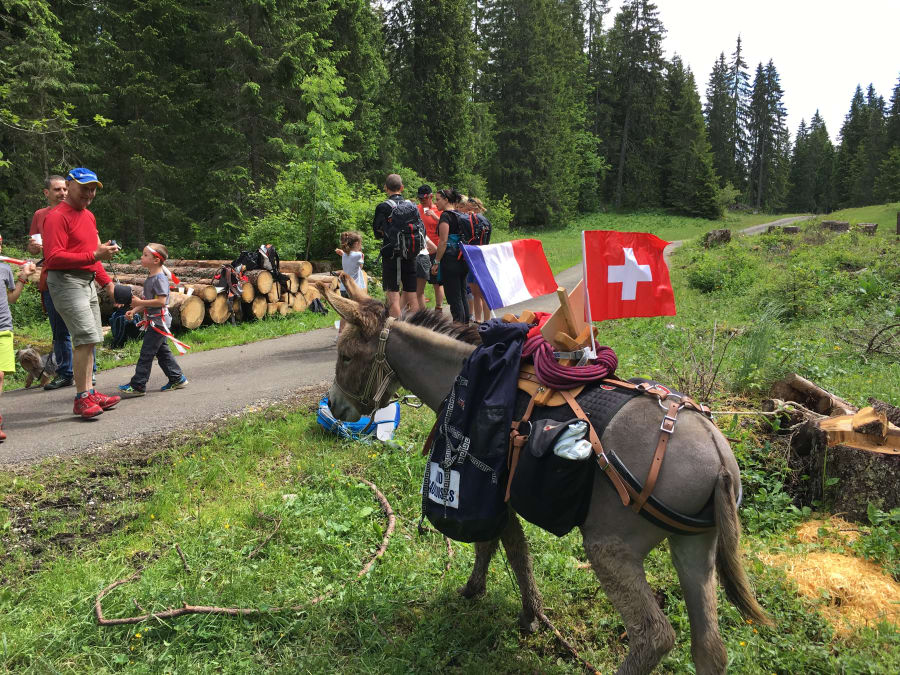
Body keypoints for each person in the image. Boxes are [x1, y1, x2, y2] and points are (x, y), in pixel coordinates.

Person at [42, 167, 121, 419]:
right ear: (69, 185)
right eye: (84, 188)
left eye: (93, 189)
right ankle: (81, 398)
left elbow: (93, 255)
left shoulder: (88, 216)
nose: (89, 193)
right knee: (84, 338)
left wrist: (107, 283)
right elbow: (53, 257)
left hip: (86, 281)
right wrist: (94, 255)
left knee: (92, 338)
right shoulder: (56, 217)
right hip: (65, 281)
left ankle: (88, 392)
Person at [117, 243, 188, 396]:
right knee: (162, 353)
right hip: (153, 320)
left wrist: (139, 303)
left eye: (145, 255)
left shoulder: (159, 279)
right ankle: (177, 379)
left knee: (146, 353)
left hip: (159, 322)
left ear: (156, 260)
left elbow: (162, 302)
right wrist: (134, 310)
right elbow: (148, 301)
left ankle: (138, 385)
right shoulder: (150, 277)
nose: (141, 257)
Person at [0, 237, 36, 440]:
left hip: (3, 327)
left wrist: (23, 276)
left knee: (0, 375)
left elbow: (11, 298)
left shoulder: (4, 269)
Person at [372, 174, 417, 318]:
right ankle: (417, 331)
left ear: (386, 188)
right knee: (411, 294)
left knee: (393, 296)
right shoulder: (411, 206)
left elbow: (378, 232)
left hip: (391, 255)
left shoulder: (383, 207)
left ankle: (396, 331)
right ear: (402, 188)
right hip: (411, 253)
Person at [430, 188, 470, 324]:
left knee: (454, 297)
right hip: (464, 259)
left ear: (446, 200)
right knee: (462, 295)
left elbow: (443, 241)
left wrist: (436, 262)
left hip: (451, 260)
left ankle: (459, 329)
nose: (436, 203)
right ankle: (466, 327)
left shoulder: (446, 216)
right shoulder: (461, 214)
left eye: (438, 199)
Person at [416, 185, 444, 312]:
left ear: (431, 197)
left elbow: (446, 227)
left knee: (436, 282)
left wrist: (435, 217)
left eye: (425, 199)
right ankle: (421, 311)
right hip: (421, 250)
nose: (422, 201)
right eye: (420, 198)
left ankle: (439, 308)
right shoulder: (416, 209)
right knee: (419, 284)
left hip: (436, 250)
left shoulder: (439, 209)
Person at [334, 230, 366, 333]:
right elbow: (360, 266)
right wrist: (362, 256)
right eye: (360, 243)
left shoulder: (345, 255)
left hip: (344, 287)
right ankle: (358, 333)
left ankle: (340, 333)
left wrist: (341, 252)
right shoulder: (358, 255)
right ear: (356, 244)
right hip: (354, 288)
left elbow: (346, 254)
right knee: (358, 311)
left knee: (345, 313)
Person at [467, 197, 493, 322]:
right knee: (476, 293)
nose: (466, 210)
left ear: (474, 207)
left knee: (482, 294)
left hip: (478, 257)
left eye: (468, 207)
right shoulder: (482, 220)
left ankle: (486, 321)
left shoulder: (478, 220)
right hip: (475, 257)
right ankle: (478, 320)